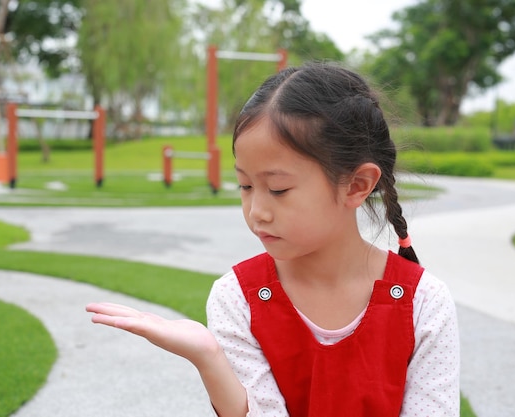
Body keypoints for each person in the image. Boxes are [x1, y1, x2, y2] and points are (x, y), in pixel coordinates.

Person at [86, 61, 460, 417]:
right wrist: (209, 359)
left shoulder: (424, 303)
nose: (256, 211)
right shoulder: (237, 299)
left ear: (358, 185)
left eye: (278, 189)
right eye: (245, 186)